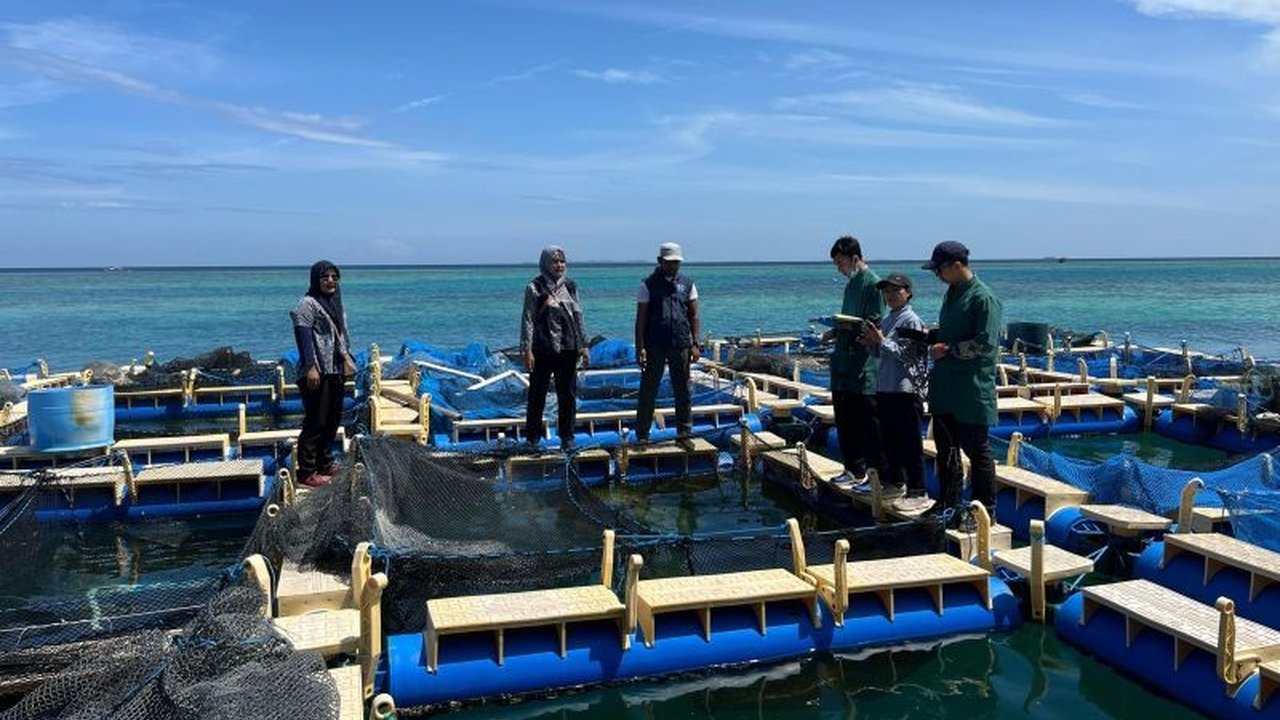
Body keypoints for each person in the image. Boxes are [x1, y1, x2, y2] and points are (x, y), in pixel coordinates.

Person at [921, 240, 1003, 521]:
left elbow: (986, 344)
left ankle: (984, 510)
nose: (937, 276)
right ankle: (948, 501)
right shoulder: (951, 294)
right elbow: (949, 331)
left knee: (976, 451)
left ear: (956, 265)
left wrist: (949, 350)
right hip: (945, 387)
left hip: (971, 388)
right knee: (946, 449)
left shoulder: (983, 298)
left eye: (939, 270)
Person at [860, 272, 933, 513]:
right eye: (887, 292)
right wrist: (870, 344)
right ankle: (895, 481)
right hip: (886, 387)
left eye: (896, 291)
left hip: (905, 389)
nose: (890, 295)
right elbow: (882, 354)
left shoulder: (911, 320)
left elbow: (910, 355)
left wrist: (880, 341)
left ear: (908, 293)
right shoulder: (888, 318)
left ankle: (918, 490)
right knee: (889, 439)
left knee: (909, 442)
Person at [824, 236, 887, 490]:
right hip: (843, 364)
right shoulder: (850, 285)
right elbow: (847, 320)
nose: (839, 269)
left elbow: (873, 323)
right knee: (845, 418)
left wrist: (847, 325)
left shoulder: (873, 284)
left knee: (868, 423)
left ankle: (875, 475)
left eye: (840, 263)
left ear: (854, 259)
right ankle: (852, 468)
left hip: (863, 365)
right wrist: (834, 330)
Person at [290, 260, 356, 487]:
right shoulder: (307, 304)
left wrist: (347, 357)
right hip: (316, 371)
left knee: (332, 418)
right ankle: (306, 471)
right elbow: (303, 337)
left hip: (335, 369)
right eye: (325, 277)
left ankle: (325, 463)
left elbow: (342, 335)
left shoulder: (335, 302)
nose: (330, 281)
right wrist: (311, 366)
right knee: (316, 420)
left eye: (334, 277)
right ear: (315, 279)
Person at [520, 245, 589, 453]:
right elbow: (528, 319)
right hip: (542, 348)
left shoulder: (570, 286)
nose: (559, 265)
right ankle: (532, 438)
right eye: (554, 261)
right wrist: (527, 348)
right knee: (537, 394)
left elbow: (578, 315)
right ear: (545, 264)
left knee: (567, 394)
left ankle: (567, 437)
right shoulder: (535, 287)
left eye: (562, 261)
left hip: (568, 347)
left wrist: (584, 344)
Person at [635, 242, 700, 448]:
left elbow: (694, 315)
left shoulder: (688, 284)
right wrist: (640, 347)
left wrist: (695, 343)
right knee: (648, 390)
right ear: (660, 261)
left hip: (680, 344)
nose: (673, 266)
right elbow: (641, 319)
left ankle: (684, 433)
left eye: (676, 262)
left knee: (683, 390)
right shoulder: (648, 284)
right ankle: (643, 435)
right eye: (669, 262)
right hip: (654, 344)